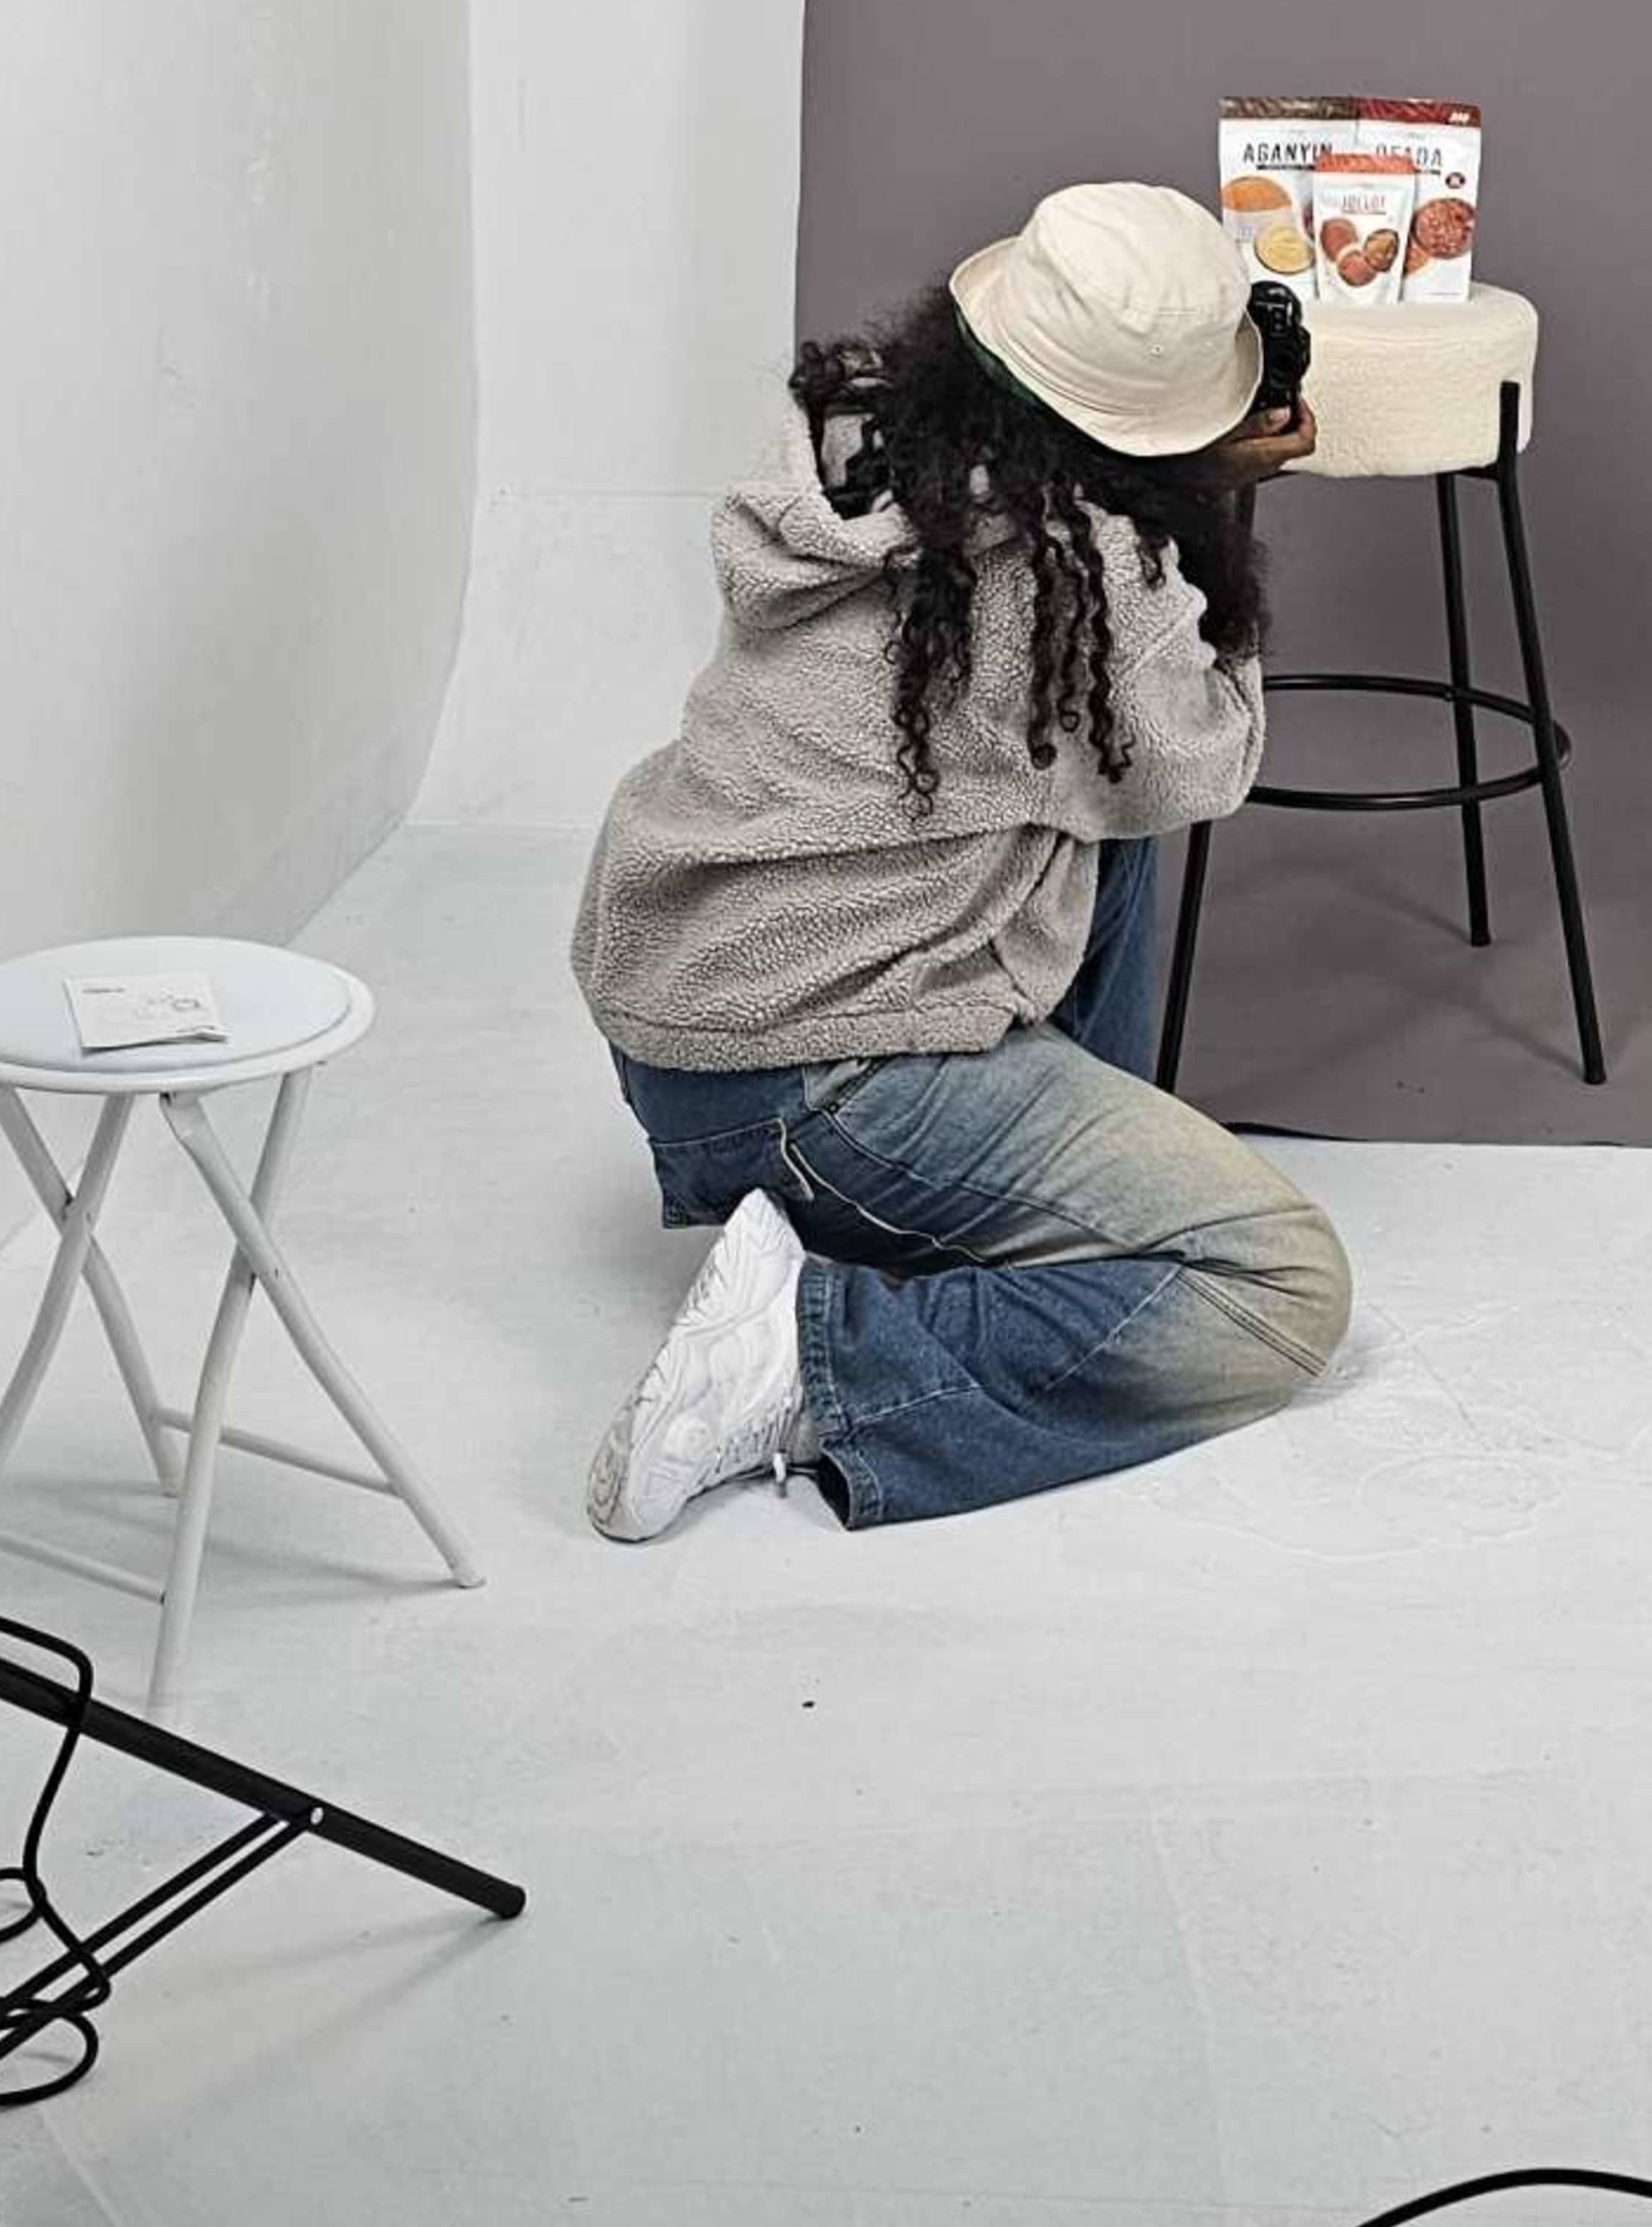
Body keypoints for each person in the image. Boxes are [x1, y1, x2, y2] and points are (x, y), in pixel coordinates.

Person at [572, 178, 1350, 1544]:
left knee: (1109, 815)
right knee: (1274, 1286)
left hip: (686, 1015)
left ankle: (992, 1209)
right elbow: (1210, 755)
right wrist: (1210, 517)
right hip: (818, 1078)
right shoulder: (1075, 577)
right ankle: (811, 1358)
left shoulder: (858, 433)